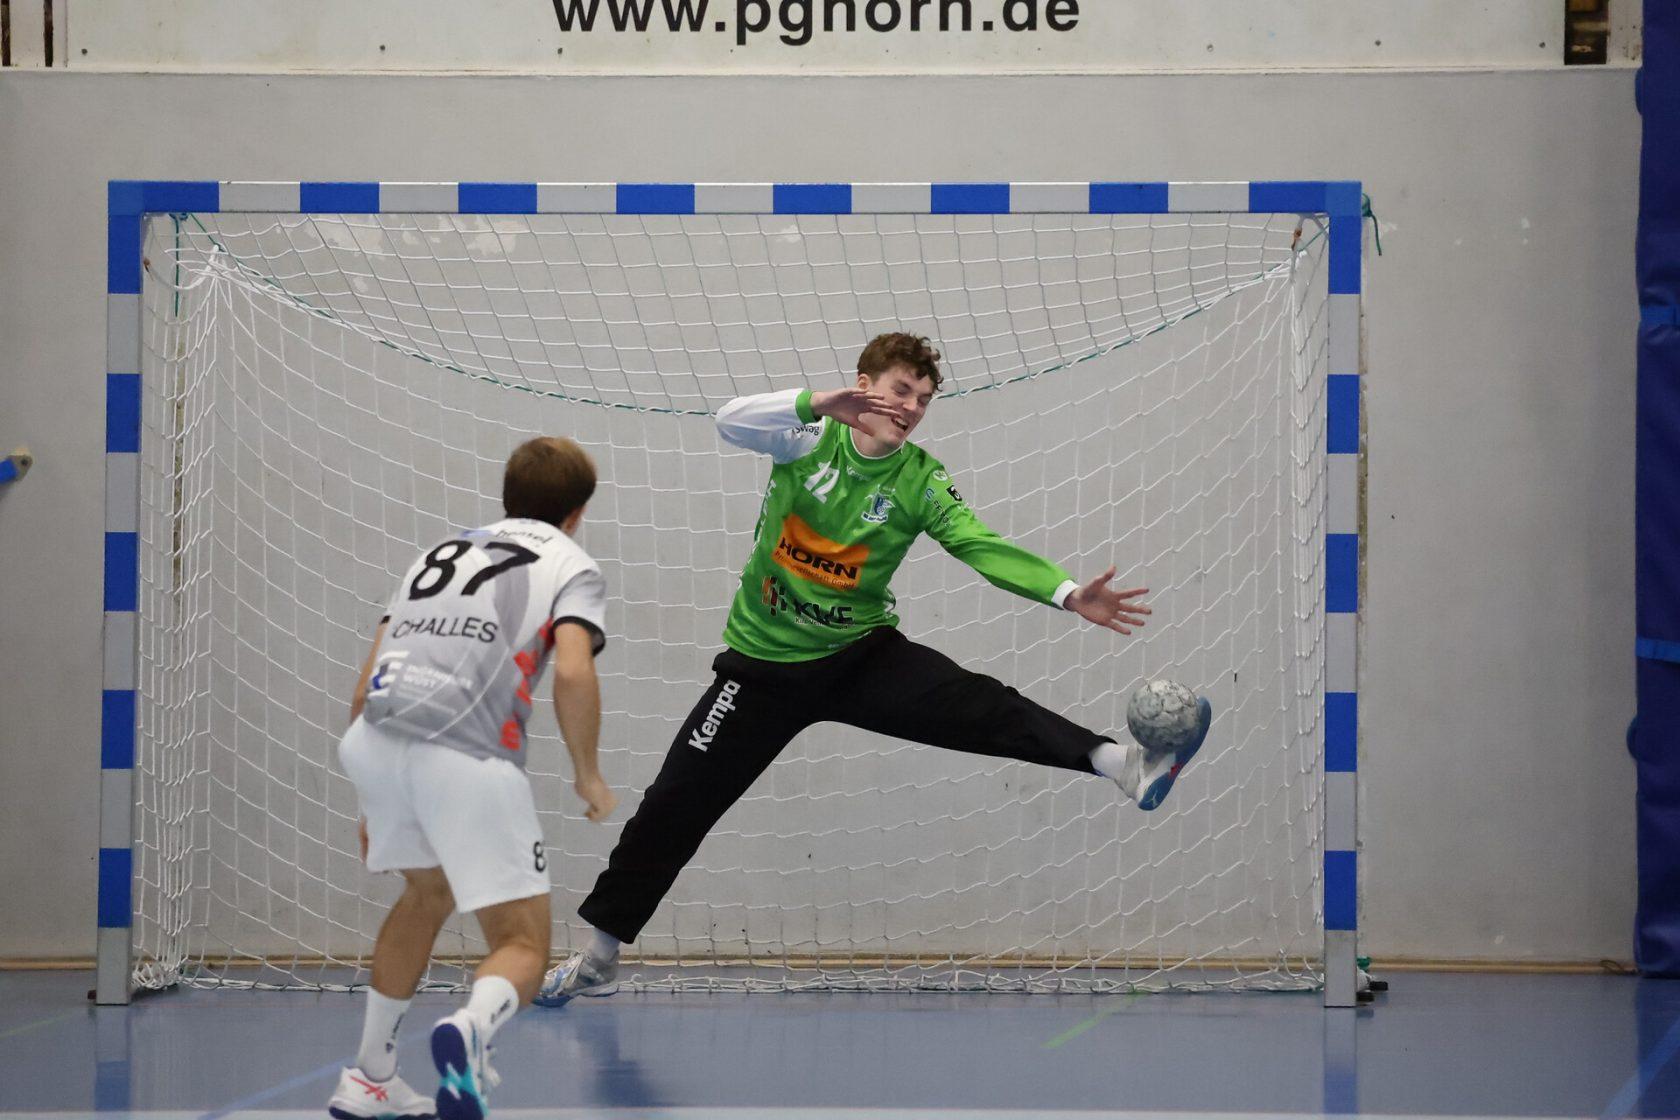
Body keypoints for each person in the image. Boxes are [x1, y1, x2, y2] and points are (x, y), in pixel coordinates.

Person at [535, 333, 1210, 1007]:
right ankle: (598, 957)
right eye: (899, 390)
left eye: (923, 398)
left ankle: (1125, 765)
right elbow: (729, 421)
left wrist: (1066, 593)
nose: (910, 407)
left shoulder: (920, 479)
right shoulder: (806, 438)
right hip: (761, 668)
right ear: (863, 385)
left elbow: (978, 544)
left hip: (859, 656)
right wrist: (817, 402)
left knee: (981, 706)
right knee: (673, 806)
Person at [327, 436, 617, 1120]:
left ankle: (370, 1078)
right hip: (465, 753)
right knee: (523, 944)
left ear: (506, 498)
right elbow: (573, 669)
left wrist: (376, 800)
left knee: (427, 892)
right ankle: (471, 1030)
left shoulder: (439, 553)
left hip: (375, 740)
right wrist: (588, 774)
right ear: (577, 513)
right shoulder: (570, 562)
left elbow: (368, 681)